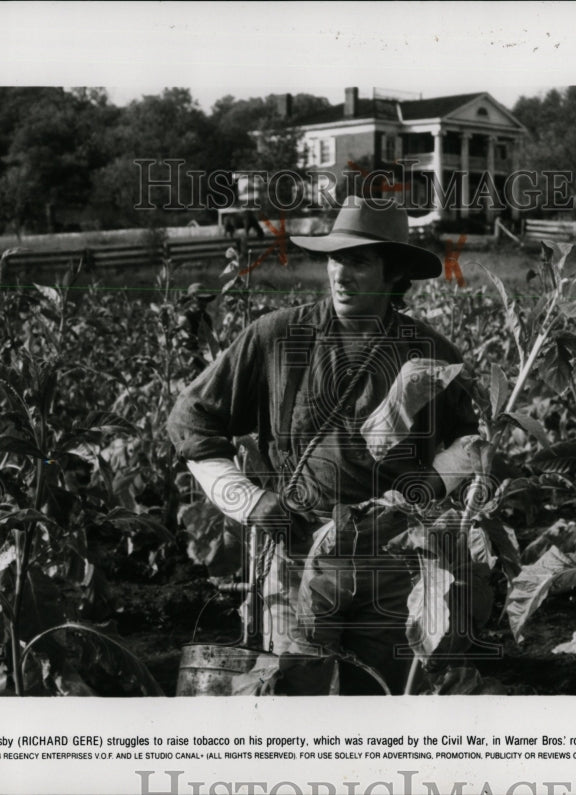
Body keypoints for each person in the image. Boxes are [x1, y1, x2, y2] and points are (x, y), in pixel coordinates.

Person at [166, 197, 480, 694]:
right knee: (293, 698)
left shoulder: (430, 351)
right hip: (298, 551)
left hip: (392, 560)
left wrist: (437, 479)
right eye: (335, 258)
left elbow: (472, 435)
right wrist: (248, 501)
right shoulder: (276, 336)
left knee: (377, 701)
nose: (340, 273)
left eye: (358, 261)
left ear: (393, 272)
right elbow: (190, 419)